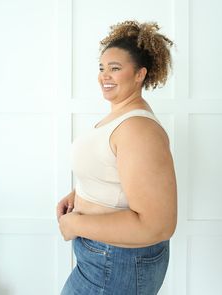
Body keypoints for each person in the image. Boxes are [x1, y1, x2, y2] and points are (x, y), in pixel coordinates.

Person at [57, 20, 177, 295]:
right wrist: (79, 194)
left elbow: (158, 225)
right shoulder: (120, 116)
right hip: (104, 257)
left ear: (139, 75)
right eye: (101, 68)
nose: (104, 76)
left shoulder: (138, 129)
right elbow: (115, 169)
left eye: (115, 68)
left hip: (116, 262)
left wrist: (75, 222)